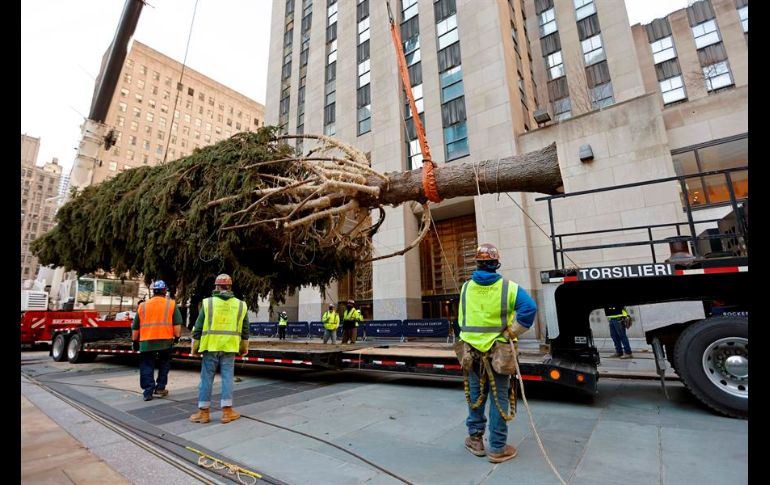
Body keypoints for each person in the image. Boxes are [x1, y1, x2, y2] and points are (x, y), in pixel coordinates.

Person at [458, 243, 537, 463]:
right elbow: (529, 309)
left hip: (471, 352)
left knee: (475, 396)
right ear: (496, 263)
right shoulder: (509, 288)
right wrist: (511, 332)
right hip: (498, 352)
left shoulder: (466, 287)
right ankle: (497, 448)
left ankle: (475, 440)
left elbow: (462, 320)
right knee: (499, 397)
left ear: (478, 263)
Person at [189, 274, 249, 424]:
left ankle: (203, 413)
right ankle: (227, 412)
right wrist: (243, 347)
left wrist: (195, 347)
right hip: (230, 346)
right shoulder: (241, 305)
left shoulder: (208, 303)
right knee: (227, 377)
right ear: (230, 287)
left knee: (206, 378)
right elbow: (245, 329)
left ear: (216, 287)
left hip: (211, 346)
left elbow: (198, 327)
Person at [132, 280, 182, 401]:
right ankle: (160, 388)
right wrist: (176, 338)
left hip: (147, 341)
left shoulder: (142, 305)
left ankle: (148, 392)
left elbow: (135, 327)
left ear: (153, 291)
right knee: (164, 363)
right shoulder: (171, 304)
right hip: (165, 341)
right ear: (165, 291)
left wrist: (135, 342)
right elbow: (177, 326)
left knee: (147, 365)